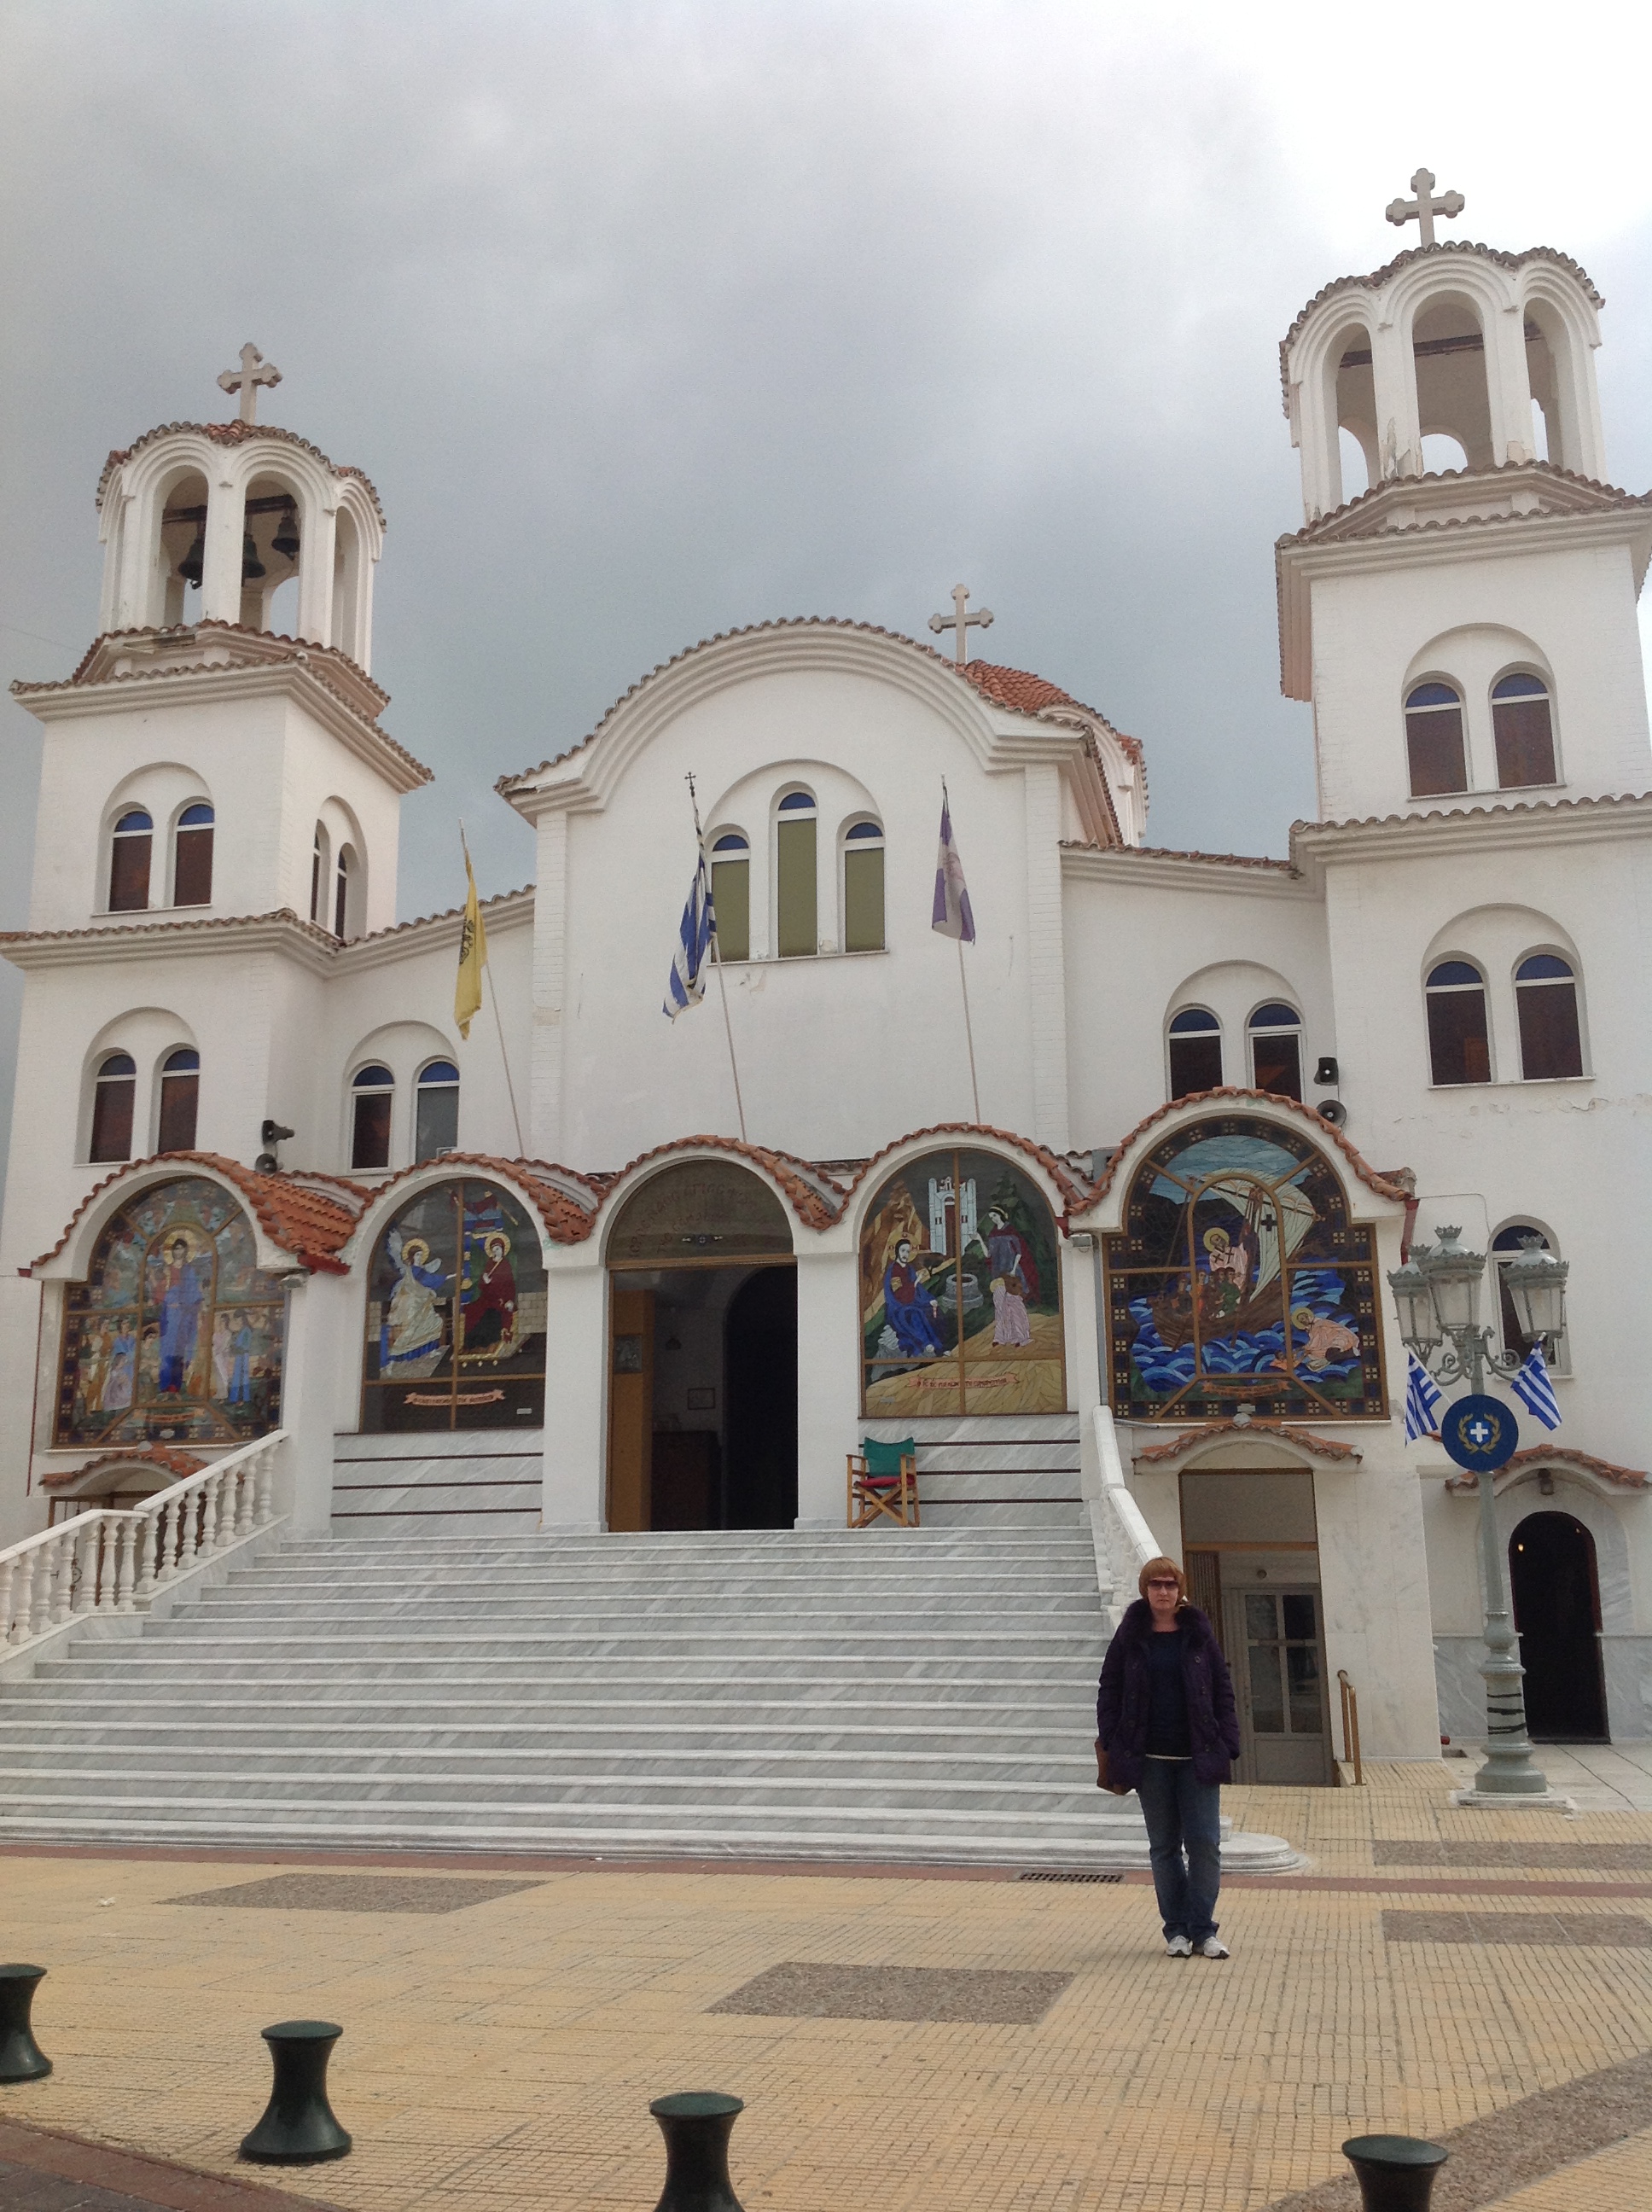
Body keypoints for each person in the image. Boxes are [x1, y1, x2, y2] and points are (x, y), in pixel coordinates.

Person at [1095, 1555, 1241, 1959]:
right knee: (1163, 1847)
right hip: (1151, 1759)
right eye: (1156, 1584)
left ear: (1180, 1590)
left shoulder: (1197, 1634)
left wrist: (1228, 1741)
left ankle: (1203, 1930)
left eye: (1170, 1584)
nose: (1163, 1591)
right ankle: (1176, 1930)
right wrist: (1114, 1738)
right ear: (1145, 1590)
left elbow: (1222, 1688)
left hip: (1198, 1756)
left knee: (1205, 1844)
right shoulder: (1130, 1635)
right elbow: (1109, 1688)